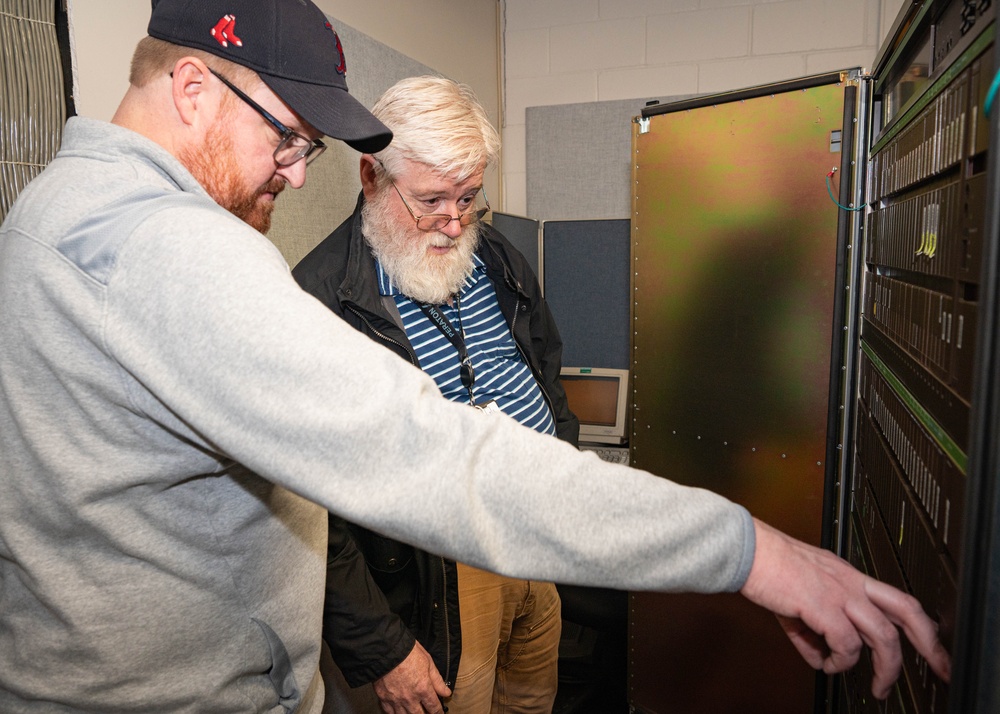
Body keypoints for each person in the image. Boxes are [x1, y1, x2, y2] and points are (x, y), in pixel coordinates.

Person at [0, 0, 950, 712]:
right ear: (195, 87)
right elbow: (429, 456)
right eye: (288, 138)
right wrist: (751, 551)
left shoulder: (49, 211)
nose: (295, 172)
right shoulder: (173, 251)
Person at [293, 76, 577, 713]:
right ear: (371, 177)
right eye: (431, 200)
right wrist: (383, 646)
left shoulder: (496, 254)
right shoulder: (320, 298)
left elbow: (545, 366)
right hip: (439, 577)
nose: (455, 222)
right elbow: (309, 507)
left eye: (470, 196)